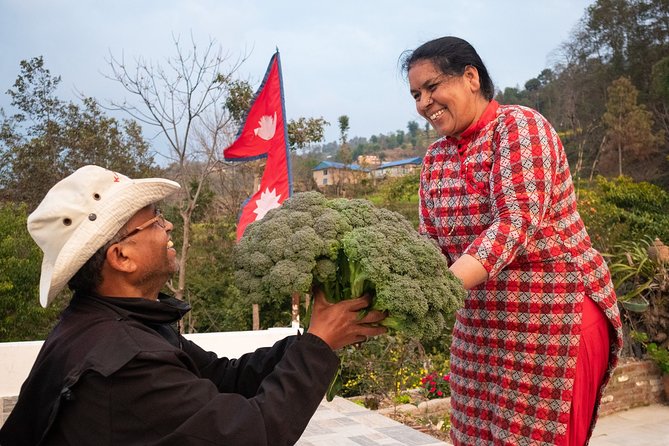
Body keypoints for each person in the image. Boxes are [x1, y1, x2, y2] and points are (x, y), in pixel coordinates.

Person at [0, 165, 386, 445]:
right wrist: (319, 347)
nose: (168, 226)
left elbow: (225, 377)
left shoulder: (122, 322)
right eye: (153, 222)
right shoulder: (125, 361)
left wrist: (315, 339)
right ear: (121, 257)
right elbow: (254, 434)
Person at [401, 36, 623, 446]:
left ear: (471, 77)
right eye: (416, 94)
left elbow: (515, 222)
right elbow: (429, 242)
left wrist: (441, 290)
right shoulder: (435, 159)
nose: (423, 103)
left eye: (432, 87)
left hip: (556, 319)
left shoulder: (520, 126)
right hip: (481, 331)